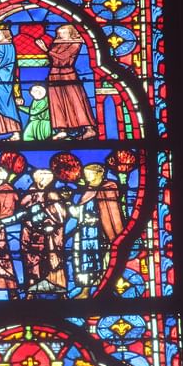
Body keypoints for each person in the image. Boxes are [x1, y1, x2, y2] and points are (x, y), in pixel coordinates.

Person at [68, 163, 124, 296]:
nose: (86, 176)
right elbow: (80, 212)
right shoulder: (88, 190)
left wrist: (96, 220)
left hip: (101, 232)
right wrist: (69, 204)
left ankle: (105, 286)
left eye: (89, 173)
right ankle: (86, 290)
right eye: (86, 173)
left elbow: (110, 212)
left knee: (100, 258)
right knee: (84, 259)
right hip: (85, 232)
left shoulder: (108, 188)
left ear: (99, 174)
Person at [36, 24, 97, 140]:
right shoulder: (57, 43)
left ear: (71, 33)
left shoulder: (75, 43)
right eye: (59, 33)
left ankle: (89, 129)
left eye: (64, 32)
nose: (60, 35)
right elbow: (53, 58)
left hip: (68, 74)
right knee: (56, 102)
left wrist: (46, 50)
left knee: (76, 101)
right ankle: (62, 129)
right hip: (54, 73)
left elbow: (63, 57)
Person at [20, 169, 67, 296]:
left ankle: (56, 286)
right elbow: (22, 208)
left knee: (53, 257)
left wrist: (50, 221)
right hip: (31, 232)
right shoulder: (30, 193)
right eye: (41, 180)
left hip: (50, 234)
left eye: (46, 180)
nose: (43, 182)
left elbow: (60, 215)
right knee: (31, 258)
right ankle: (32, 286)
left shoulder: (53, 194)